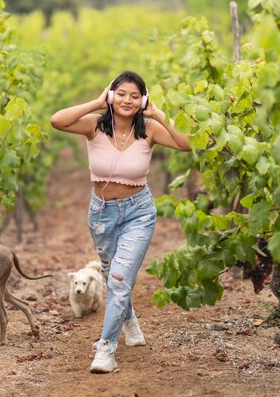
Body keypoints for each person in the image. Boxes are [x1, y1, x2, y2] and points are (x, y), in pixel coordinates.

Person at [50, 70, 190, 373]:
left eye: (135, 95)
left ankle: (106, 349)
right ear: (112, 96)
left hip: (138, 212)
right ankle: (128, 318)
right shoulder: (94, 126)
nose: (128, 100)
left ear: (143, 100)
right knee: (111, 271)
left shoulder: (150, 129)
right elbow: (56, 120)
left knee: (118, 280)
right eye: (121, 94)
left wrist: (161, 116)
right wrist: (96, 103)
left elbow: (187, 144)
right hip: (101, 213)